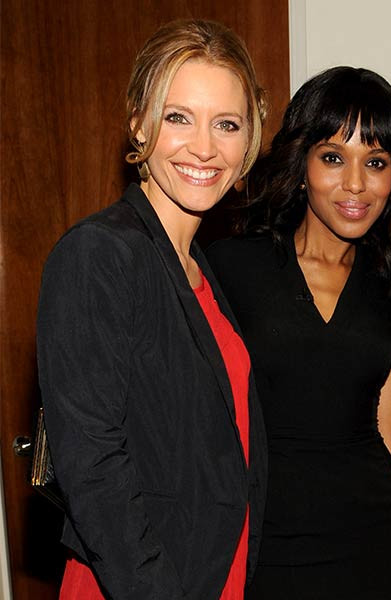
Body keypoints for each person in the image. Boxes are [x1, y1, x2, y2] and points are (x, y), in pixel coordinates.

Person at [36, 19, 268, 600]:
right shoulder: (100, 253)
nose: (205, 147)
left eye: (227, 125)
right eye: (178, 117)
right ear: (139, 121)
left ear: (250, 140)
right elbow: (92, 465)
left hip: (212, 572)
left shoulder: (199, 267)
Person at [205, 66, 391, 599]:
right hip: (263, 549)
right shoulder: (230, 267)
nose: (355, 184)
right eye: (333, 158)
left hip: (376, 551)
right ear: (301, 165)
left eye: (375, 163)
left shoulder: (390, 283)